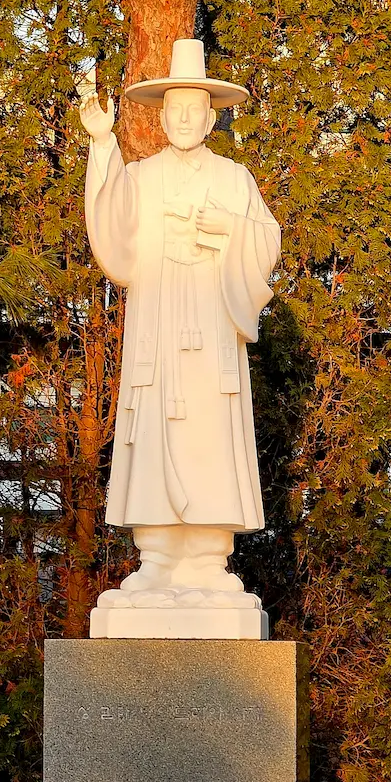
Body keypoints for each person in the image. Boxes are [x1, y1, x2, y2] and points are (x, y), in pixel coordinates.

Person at [78, 38, 280, 605]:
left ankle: (210, 558)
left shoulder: (235, 180)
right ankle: (159, 555)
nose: (186, 118)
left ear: (212, 117)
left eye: (197, 109)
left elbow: (266, 241)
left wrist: (231, 231)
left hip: (213, 329)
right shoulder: (141, 178)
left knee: (211, 432)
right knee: (154, 429)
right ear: (162, 114)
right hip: (159, 327)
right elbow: (113, 230)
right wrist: (101, 143)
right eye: (176, 109)